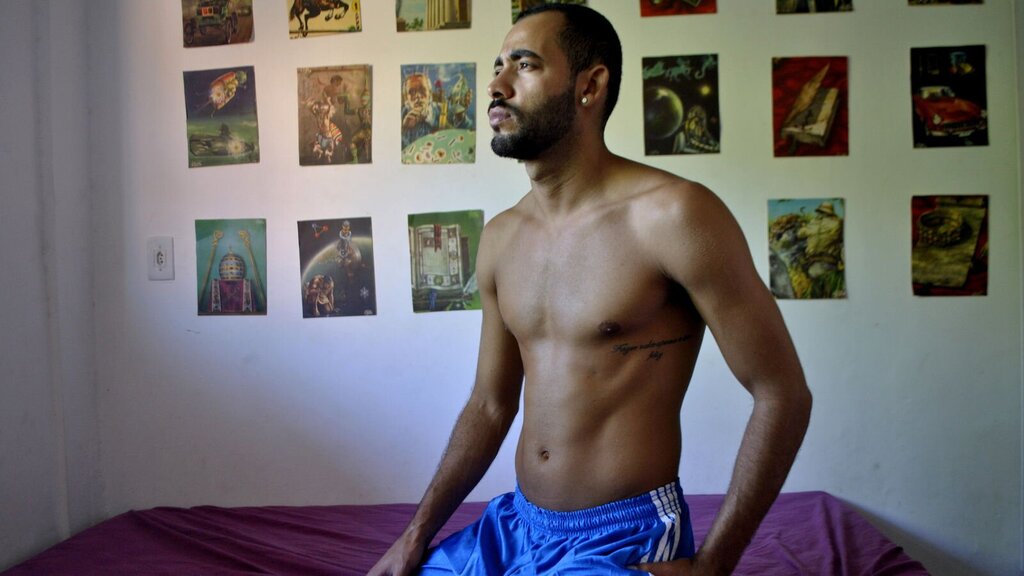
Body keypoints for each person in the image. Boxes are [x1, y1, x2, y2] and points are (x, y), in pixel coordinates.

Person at [369, 5, 811, 575]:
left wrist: (713, 567)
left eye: (525, 65)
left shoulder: (674, 216)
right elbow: (489, 404)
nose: (496, 86)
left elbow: (782, 393)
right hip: (517, 525)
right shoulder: (501, 237)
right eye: (498, 66)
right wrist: (415, 534)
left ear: (590, 86)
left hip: (624, 535)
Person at [401, 71, 442, 149]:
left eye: (422, 90)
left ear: (430, 94)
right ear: (406, 99)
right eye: (412, 92)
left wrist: (429, 118)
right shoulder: (401, 114)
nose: (418, 96)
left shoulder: (441, 110)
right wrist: (404, 128)